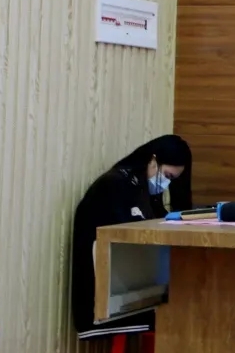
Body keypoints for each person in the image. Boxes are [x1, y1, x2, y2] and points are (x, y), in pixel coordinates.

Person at [71, 134, 193, 340]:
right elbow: (134, 242)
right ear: (153, 160)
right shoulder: (117, 185)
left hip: (131, 290)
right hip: (103, 301)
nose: (166, 184)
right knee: (185, 313)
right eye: (167, 176)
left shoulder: (142, 190)